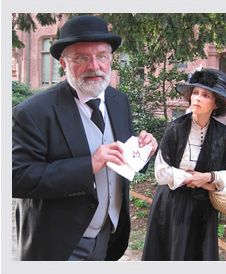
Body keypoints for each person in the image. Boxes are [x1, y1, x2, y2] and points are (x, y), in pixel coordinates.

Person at [12, 15, 158, 261]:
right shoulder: (33, 112)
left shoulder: (118, 101)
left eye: (102, 56)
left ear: (111, 59)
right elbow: (16, 178)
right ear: (63, 63)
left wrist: (142, 150)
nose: (94, 66)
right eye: (81, 57)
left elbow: (121, 162)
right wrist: (88, 165)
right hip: (58, 244)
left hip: (106, 237)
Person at [143, 68, 226, 260]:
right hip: (172, 205)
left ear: (216, 103)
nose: (197, 98)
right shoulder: (175, 128)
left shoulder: (223, 133)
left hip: (204, 208)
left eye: (205, 95)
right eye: (195, 93)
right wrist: (191, 178)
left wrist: (208, 178)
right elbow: (161, 171)